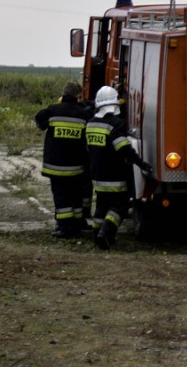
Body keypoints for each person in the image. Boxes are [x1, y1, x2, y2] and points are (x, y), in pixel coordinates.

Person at [86, 85, 153, 250]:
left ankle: (97, 236)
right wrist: (141, 163)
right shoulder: (115, 124)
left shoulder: (91, 123)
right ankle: (106, 232)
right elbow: (124, 149)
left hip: (97, 175)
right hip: (114, 174)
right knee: (120, 206)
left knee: (101, 206)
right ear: (115, 105)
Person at [34, 82, 92, 239]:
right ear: (78, 96)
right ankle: (77, 224)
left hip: (55, 166)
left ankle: (65, 228)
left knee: (61, 197)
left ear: (63, 95)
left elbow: (39, 119)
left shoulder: (53, 111)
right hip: (76, 167)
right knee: (75, 196)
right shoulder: (83, 115)